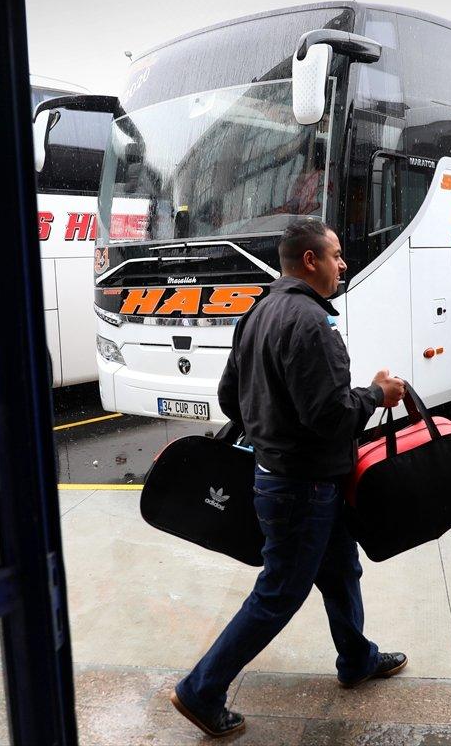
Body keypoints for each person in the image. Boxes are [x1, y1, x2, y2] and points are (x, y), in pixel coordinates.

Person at [170, 217, 408, 738]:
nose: (344, 264)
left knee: (341, 568)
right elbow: (332, 416)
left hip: (285, 477)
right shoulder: (310, 323)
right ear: (310, 261)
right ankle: (201, 690)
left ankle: (356, 658)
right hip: (305, 488)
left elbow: (230, 399)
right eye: (337, 255)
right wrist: (377, 395)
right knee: (278, 593)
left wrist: (271, 422)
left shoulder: (257, 312)